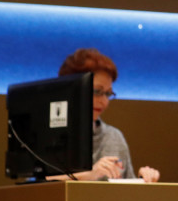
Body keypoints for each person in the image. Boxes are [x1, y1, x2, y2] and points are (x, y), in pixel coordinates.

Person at [55, 48, 160, 182]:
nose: (103, 101)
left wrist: (143, 180)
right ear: (72, 89)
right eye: (97, 91)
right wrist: (88, 175)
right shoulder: (49, 135)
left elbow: (127, 195)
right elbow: (34, 185)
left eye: (108, 93)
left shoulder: (114, 137)